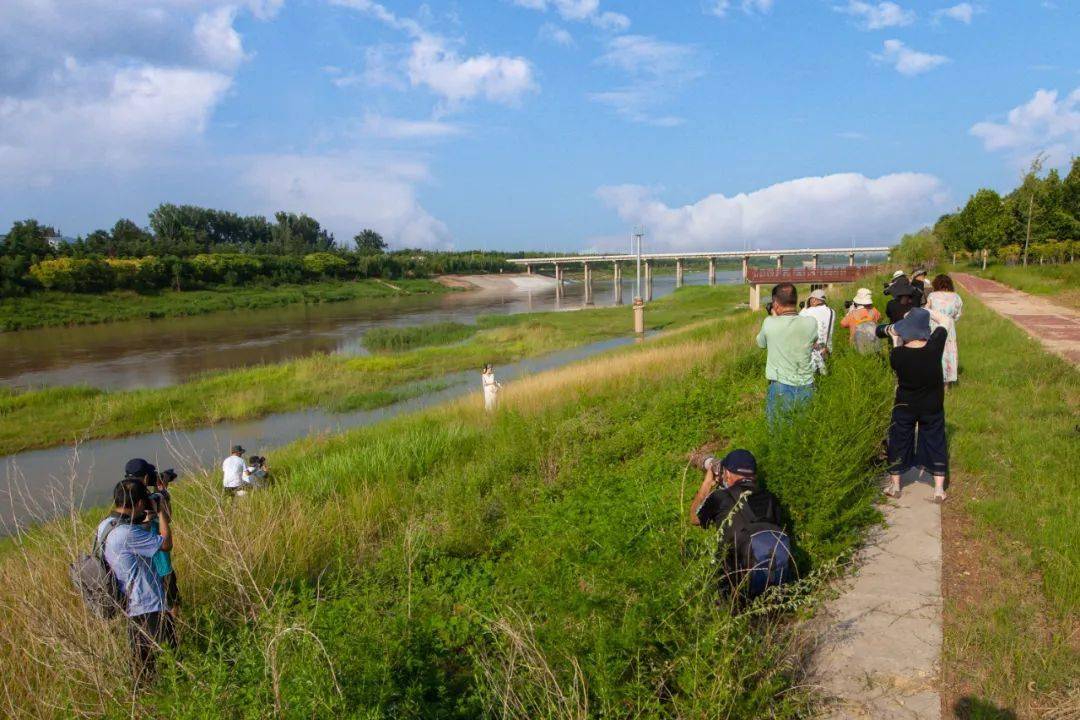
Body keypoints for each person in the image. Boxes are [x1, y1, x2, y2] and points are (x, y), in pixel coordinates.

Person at [96, 479, 174, 684]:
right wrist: (161, 513)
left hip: (130, 604)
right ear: (139, 503)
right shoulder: (127, 533)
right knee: (170, 657)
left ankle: (144, 697)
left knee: (141, 663)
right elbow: (165, 544)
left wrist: (145, 523)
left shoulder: (106, 525)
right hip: (147, 604)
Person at [688, 449, 793, 599]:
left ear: (728, 474)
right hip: (780, 583)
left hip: (738, 589)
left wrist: (707, 482)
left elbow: (694, 518)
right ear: (754, 475)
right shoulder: (771, 498)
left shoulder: (720, 497)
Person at [876, 308, 950, 502]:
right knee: (936, 440)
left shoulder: (898, 355)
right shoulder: (935, 347)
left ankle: (895, 485)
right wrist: (926, 310)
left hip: (904, 405)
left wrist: (894, 339)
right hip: (932, 404)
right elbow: (945, 320)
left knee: (899, 440)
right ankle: (939, 489)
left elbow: (897, 351)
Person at [756, 283, 818, 421]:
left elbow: (761, 344)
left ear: (776, 303)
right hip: (806, 385)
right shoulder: (811, 323)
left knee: (778, 432)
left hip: (780, 386)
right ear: (795, 301)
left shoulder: (769, 322)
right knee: (803, 432)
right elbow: (813, 340)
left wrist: (773, 316)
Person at [125, 458, 180, 611]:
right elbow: (167, 518)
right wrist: (163, 493)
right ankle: (172, 631)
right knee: (171, 601)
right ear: (146, 478)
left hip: (135, 565)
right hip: (159, 560)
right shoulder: (148, 499)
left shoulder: (124, 497)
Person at [926, 274, 963, 385]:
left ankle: (934, 380)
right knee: (948, 352)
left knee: (935, 352)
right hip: (949, 327)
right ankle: (946, 384)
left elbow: (927, 312)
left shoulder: (932, 296)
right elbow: (958, 315)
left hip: (935, 326)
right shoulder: (956, 297)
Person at [799, 288, 835, 375]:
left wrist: (804, 307)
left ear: (814, 299)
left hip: (812, 354)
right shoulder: (832, 312)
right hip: (826, 351)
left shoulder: (806, 312)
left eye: (810, 300)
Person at [840, 287, 881, 354]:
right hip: (873, 343)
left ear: (857, 302)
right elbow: (879, 318)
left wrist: (849, 311)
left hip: (856, 345)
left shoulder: (852, 314)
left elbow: (843, 324)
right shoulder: (874, 311)